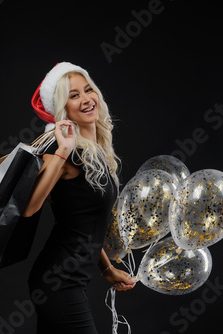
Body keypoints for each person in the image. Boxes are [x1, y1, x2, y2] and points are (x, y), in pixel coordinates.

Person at [22, 62, 136, 334]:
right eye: (74, 95)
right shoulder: (63, 151)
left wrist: (107, 269)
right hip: (58, 281)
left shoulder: (95, 151)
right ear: (64, 108)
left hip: (72, 278)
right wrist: (63, 150)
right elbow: (28, 208)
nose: (86, 99)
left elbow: (85, 224)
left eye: (88, 90)